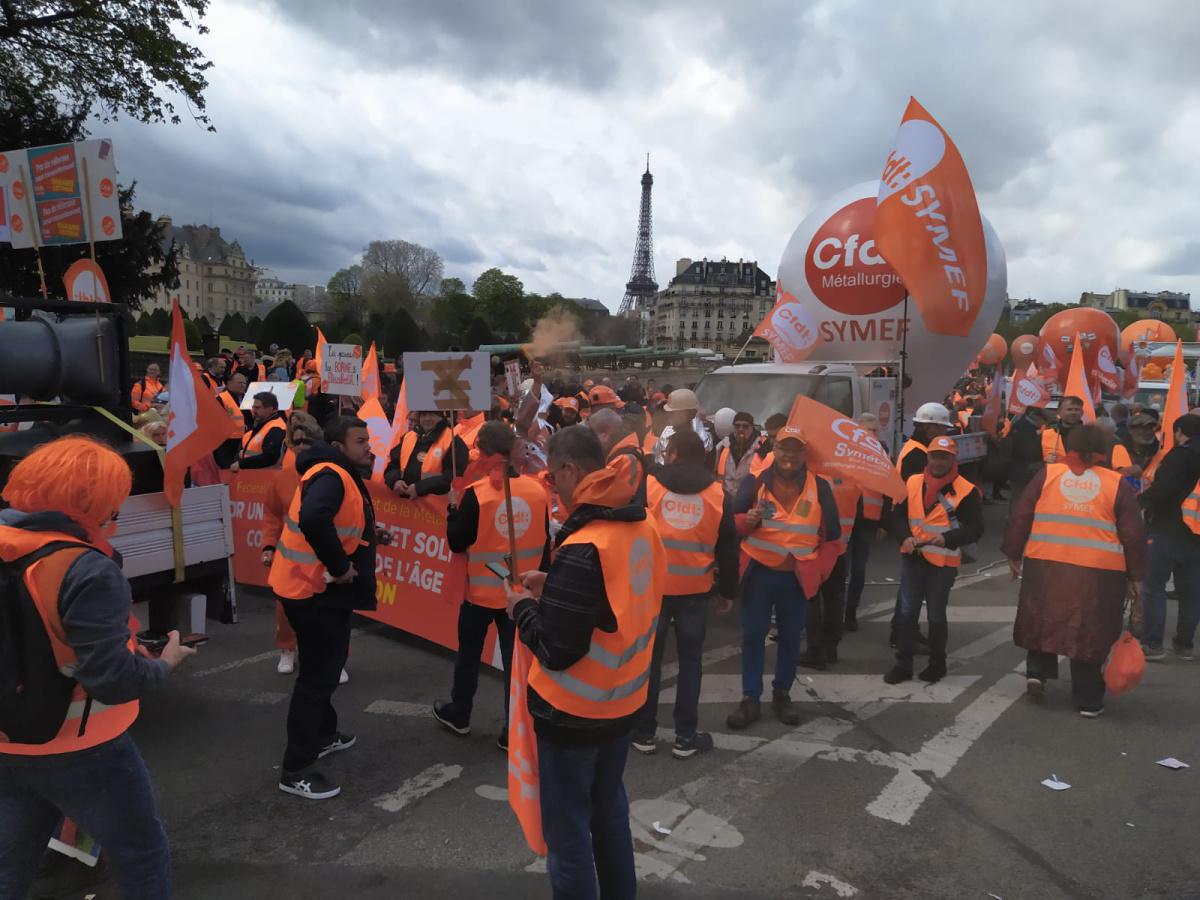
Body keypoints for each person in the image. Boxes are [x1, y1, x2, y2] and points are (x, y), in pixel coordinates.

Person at [0, 436, 196, 897]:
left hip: (8, 743)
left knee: (10, 864)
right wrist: (164, 664)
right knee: (141, 854)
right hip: (82, 749)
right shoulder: (84, 568)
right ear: (95, 503)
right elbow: (112, 679)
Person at [507, 425, 665, 899]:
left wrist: (522, 608)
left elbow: (557, 649)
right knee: (610, 814)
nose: (552, 489)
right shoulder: (642, 523)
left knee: (569, 835)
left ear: (571, 469)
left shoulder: (585, 545)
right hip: (624, 703)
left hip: (573, 714)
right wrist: (553, 582)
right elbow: (612, 602)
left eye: (553, 478)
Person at [268, 417, 378, 799]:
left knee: (326, 669)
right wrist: (340, 566)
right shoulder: (332, 474)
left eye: (368, 439)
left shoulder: (333, 471)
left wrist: (370, 535)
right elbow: (315, 518)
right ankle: (296, 767)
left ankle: (324, 733)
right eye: (360, 440)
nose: (368, 446)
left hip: (309, 586)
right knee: (317, 678)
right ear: (338, 444)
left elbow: (332, 519)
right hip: (314, 589)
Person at [1003, 425, 1147, 716]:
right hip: (1099, 573)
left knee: (1041, 617)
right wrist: (1136, 575)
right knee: (1089, 631)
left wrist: (1014, 553)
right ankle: (1088, 700)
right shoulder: (1115, 483)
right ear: (1104, 448)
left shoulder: (1048, 474)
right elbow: (1133, 533)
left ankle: (1036, 672)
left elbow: (1021, 513)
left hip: (1045, 563)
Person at [435, 422, 550, 746]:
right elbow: (544, 542)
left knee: (469, 655)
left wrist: (453, 512)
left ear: (482, 452)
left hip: (481, 593)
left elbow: (457, 542)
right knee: (517, 665)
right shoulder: (537, 490)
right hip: (522, 593)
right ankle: (513, 729)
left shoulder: (476, 495)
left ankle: (460, 713)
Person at [631, 430, 737, 758]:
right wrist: (728, 592)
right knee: (691, 663)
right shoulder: (719, 495)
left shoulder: (649, 486)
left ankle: (644, 732)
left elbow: (628, 529)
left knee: (649, 661)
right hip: (695, 590)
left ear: (672, 453)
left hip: (653, 589)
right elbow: (729, 549)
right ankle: (685, 737)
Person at [727, 425, 841, 730]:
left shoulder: (821, 488)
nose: (788, 455)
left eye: (795, 449)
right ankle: (750, 698)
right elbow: (732, 524)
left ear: (804, 454)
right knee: (752, 636)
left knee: (790, 638)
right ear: (774, 450)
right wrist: (745, 521)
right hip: (759, 575)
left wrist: (818, 573)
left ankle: (782, 694)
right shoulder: (755, 483)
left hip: (795, 578)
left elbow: (834, 537)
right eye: (783, 448)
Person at [885, 435, 983, 684]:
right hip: (913, 556)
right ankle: (903, 665)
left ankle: (937, 665)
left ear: (953, 459)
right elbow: (897, 515)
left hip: (942, 563)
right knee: (907, 614)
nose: (938, 462)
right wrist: (904, 538)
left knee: (936, 615)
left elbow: (975, 528)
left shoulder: (967, 490)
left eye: (944, 457)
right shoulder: (913, 482)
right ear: (927, 457)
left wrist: (947, 538)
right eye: (934, 456)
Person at [262, 412, 323, 676]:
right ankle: (287, 648)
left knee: (329, 612)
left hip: (323, 557)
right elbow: (273, 515)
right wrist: (268, 545)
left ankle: (334, 656)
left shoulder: (331, 475)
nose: (300, 447)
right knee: (285, 611)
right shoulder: (283, 478)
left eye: (306, 442)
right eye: (295, 442)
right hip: (290, 559)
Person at [1137, 413, 1200, 660]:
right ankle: (1184, 645)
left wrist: (1141, 502)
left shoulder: (1181, 455)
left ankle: (1153, 644)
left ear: (1180, 431)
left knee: (1154, 586)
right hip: (1197, 533)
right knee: (1192, 592)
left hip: (1168, 527)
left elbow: (1164, 488)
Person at [844, 414, 887, 632]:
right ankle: (845, 613)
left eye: (873, 431)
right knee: (848, 569)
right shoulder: (847, 451)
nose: (871, 434)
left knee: (854, 570)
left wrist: (883, 524)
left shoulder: (878, 453)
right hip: (852, 519)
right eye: (868, 430)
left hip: (861, 521)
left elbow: (887, 490)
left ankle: (848, 612)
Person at [384, 410, 469, 499]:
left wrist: (420, 488)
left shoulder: (454, 441)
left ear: (441, 416)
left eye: (432, 414)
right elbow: (392, 465)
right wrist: (395, 481)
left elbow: (454, 477)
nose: (427, 418)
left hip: (434, 509)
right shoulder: (408, 437)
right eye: (424, 415)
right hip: (403, 506)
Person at [715, 412, 770, 497]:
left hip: (749, 501)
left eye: (745, 426)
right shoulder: (722, 446)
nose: (741, 429)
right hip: (724, 500)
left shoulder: (763, 447)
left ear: (752, 427)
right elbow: (712, 474)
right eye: (737, 426)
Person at [653, 388, 714, 465]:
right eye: (668, 412)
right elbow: (659, 462)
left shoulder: (701, 438)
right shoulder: (666, 433)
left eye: (673, 412)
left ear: (691, 413)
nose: (669, 416)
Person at [233, 391, 287, 472]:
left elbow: (270, 457)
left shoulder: (276, 428)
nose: (253, 410)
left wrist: (242, 463)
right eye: (253, 407)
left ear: (271, 409)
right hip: (252, 477)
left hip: (265, 478)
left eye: (257, 407)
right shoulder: (262, 425)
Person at [214, 372, 250, 469]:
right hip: (226, 444)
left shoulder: (246, 398)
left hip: (243, 442)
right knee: (228, 470)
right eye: (240, 383)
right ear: (229, 383)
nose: (243, 385)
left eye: (244, 383)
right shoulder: (221, 399)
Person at [1042, 396, 1085, 462]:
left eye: (1077, 409)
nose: (1073, 413)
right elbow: (1029, 463)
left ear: (1082, 412)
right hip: (1054, 472)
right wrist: (1044, 460)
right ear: (1059, 412)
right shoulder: (1045, 435)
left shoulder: (1091, 435)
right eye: (1069, 409)